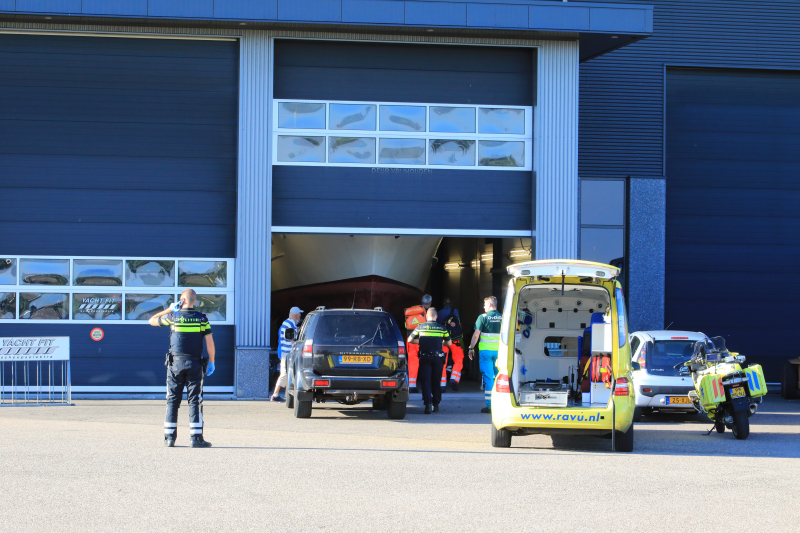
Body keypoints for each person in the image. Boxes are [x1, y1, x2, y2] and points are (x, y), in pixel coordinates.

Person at [149, 289, 215, 448]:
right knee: (195, 401)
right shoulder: (202, 319)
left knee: (172, 400)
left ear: (181, 300)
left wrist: (169, 310)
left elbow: (151, 320)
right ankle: (196, 439)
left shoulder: (173, 317)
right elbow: (210, 343)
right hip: (195, 364)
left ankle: (169, 438)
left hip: (175, 365)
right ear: (195, 301)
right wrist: (212, 361)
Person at [408, 307, 452, 414]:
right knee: (436, 381)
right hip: (438, 358)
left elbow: (410, 339)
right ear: (436, 317)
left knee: (426, 381)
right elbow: (449, 343)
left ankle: (428, 405)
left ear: (426, 316)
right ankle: (436, 404)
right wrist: (440, 343)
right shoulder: (442, 328)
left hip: (425, 357)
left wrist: (421, 342)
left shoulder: (420, 327)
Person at [468, 296, 503, 413]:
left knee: (489, 379)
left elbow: (476, 334)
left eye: (484, 305)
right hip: (500, 353)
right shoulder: (503, 317)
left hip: (486, 353)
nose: (483, 307)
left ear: (489, 305)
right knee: (500, 378)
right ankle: (501, 404)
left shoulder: (482, 317)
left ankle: (490, 406)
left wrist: (471, 348)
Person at [271, 306, 303, 402]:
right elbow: (292, 340)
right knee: (285, 373)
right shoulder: (290, 324)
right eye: (299, 313)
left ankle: (285, 396)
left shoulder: (287, 323)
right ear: (296, 314)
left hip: (285, 352)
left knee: (288, 374)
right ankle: (275, 395)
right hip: (288, 353)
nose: (300, 315)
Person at [405, 294, 432, 393]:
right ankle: (426, 385)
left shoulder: (412, 310)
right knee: (426, 363)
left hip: (411, 340)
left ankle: (412, 386)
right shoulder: (429, 312)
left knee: (413, 363)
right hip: (423, 341)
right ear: (429, 303)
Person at [437, 297, 465, 391]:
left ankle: (442, 385)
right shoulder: (455, 311)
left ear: (444, 303)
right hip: (455, 340)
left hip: (443, 340)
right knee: (458, 360)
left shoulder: (439, 313)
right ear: (451, 303)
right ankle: (454, 379)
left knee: (442, 362)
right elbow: (459, 325)